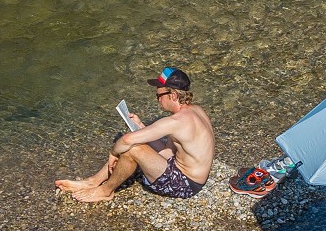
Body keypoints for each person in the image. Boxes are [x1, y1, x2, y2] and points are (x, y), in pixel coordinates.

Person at [55, 68, 215, 203]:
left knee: (131, 147)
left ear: (172, 95)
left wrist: (113, 153)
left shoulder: (175, 121)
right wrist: (140, 127)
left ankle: (105, 191)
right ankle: (93, 181)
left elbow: (126, 140)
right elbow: (168, 152)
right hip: (188, 173)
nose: (158, 100)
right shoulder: (196, 111)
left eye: (159, 96)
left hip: (186, 184)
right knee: (135, 139)